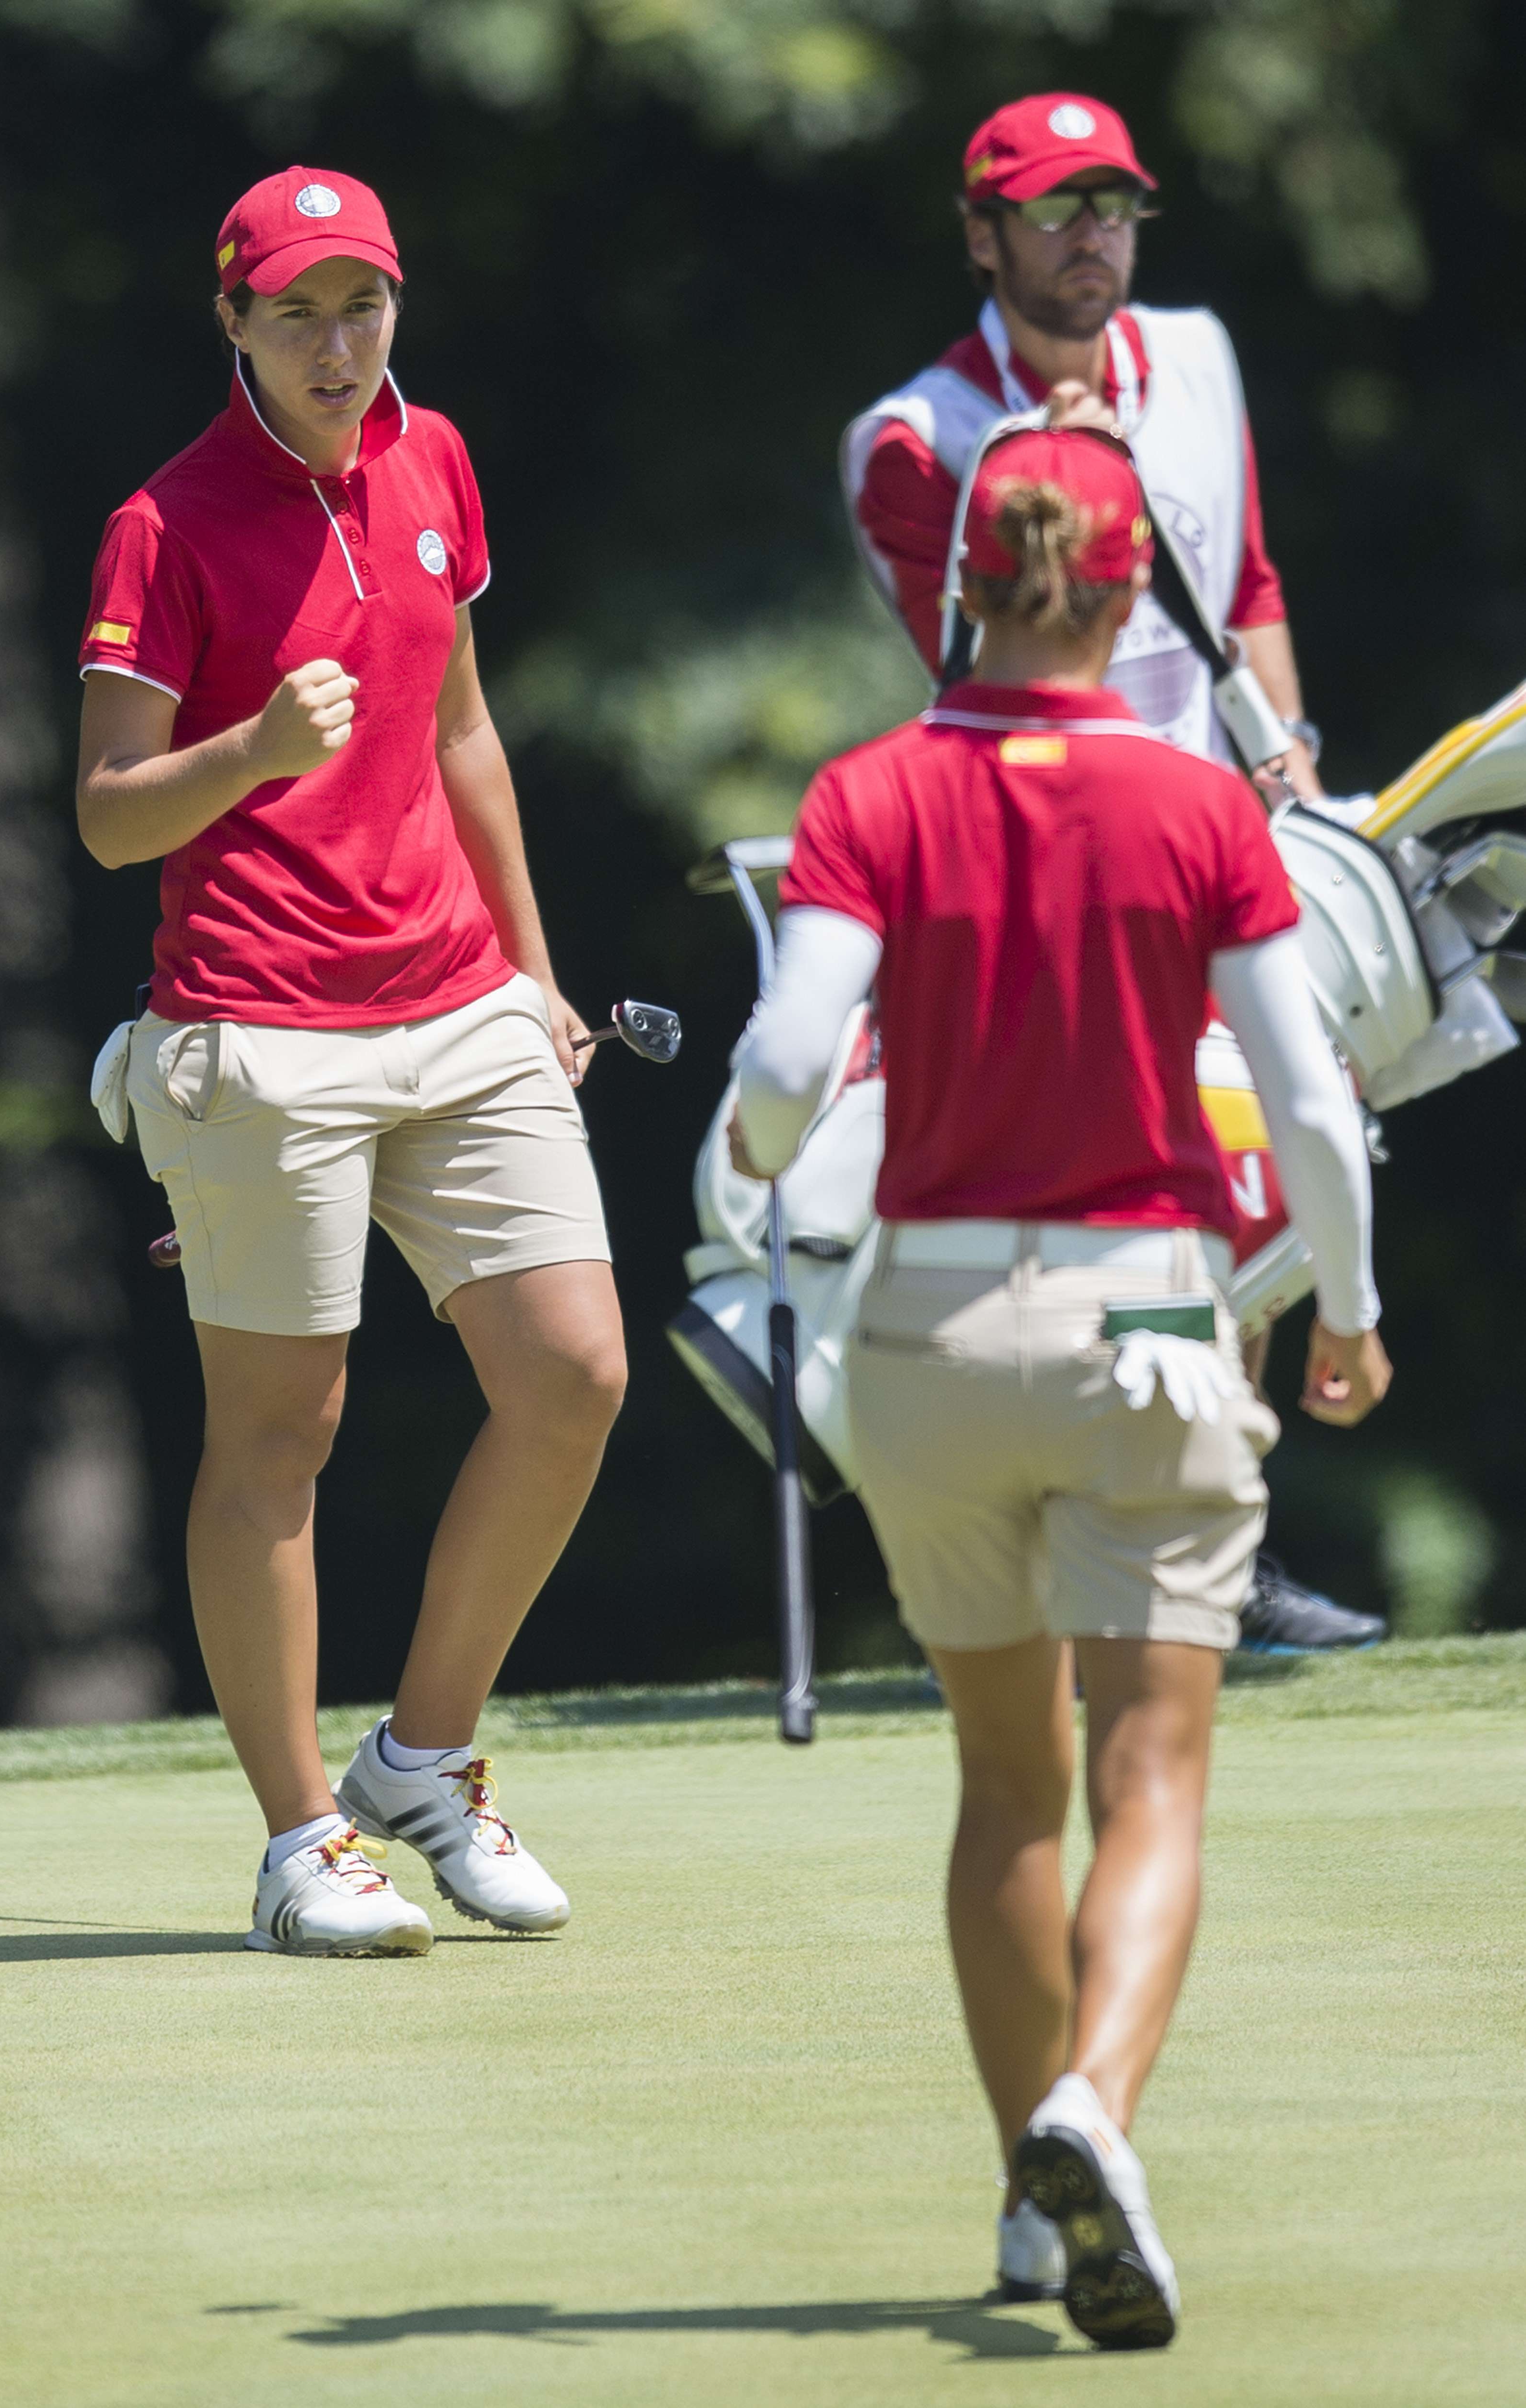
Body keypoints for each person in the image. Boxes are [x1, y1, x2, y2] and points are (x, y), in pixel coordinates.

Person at [732, 426, 1390, 2346]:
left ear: (965, 590)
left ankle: (1034, 2187)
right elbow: (1317, 1115)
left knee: (1005, 1786)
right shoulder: (1196, 806)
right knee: (1150, 1766)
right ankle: (1096, 2105)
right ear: (1122, 591)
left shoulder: (868, 789)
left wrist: (789, 1147)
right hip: (1153, 1317)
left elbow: (780, 1083)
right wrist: (1344, 1307)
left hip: (925, 1331)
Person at [76, 169, 626, 1957]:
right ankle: (302, 1836)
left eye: (364, 307)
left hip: (458, 998)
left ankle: (425, 1756)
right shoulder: (162, 527)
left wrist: (537, 972)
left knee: (573, 1376)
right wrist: (245, 748)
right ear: (231, 316)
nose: (337, 346)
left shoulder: (431, 459)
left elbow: (462, 728)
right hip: (256, 1027)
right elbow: (102, 818)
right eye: (299, 311)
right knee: (282, 1434)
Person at [841, 87, 1383, 1654]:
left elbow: (1247, 578)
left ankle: (1226, 1532)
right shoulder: (914, 435)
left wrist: (1286, 760)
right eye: (1057, 208)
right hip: (1038, 857)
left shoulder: (1197, 356)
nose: (1093, 237)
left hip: (1222, 824)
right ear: (983, 232)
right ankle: (1070, 1542)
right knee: (1101, 1180)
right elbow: (976, 652)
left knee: (1257, 1162)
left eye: (1115, 206)